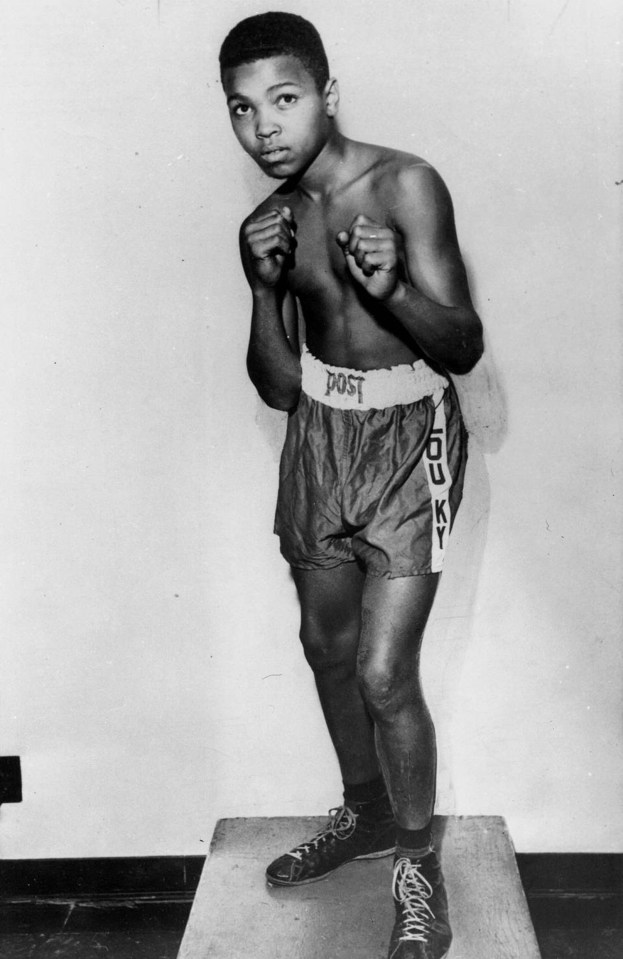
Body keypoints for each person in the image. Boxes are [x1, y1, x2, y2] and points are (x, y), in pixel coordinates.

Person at [219, 12, 483, 959]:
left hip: (411, 438)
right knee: (324, 647)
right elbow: (280, 387)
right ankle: (365, 812)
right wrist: (259, 289)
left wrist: (394, 294)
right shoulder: (271, 221)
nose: (266, 129)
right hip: (320, 438)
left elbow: (460, 346)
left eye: (284, 100)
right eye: (243, 110)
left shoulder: (405, 184)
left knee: (382, 671)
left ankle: (418, 864)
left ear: (326, 95)